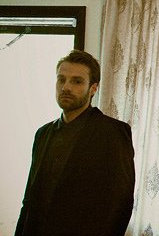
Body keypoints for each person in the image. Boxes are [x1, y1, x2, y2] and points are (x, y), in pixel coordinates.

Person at [15, 50, 135, 236]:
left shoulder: (113, 132)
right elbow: (30, 199)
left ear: (93, 88)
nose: (66, 87)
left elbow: (121, 202)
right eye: (61, 79)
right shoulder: (43, 134)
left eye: (77, 81)